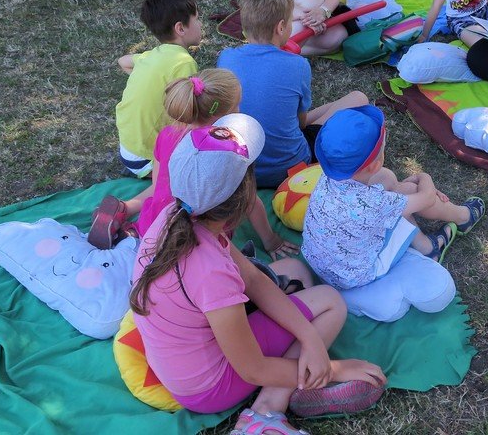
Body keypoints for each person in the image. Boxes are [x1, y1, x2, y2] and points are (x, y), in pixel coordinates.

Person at [130, 114, 387, 433]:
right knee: (331, 301)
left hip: (184, 360)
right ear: (244, 197)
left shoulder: (178, 214)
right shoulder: (211, 272)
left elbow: (251, 278)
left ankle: (292, 378)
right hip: (210, 387)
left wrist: (309, 338)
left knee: (294, 272)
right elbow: (253, 369)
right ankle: (265, 411)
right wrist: (335, 368)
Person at [89, 69, 299, 259]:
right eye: (237, 105)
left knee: (158, 206)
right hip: (198, 240)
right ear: (227, 114)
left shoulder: (167, 134)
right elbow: (250, 200)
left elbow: (159, 187)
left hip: (156, 223)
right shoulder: (229, 151)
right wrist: (272, 241)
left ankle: (131, 231)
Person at [302, 105, 485, 293]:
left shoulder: (328, 176)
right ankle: (451, 227)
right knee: (410, 192)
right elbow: (426, 198)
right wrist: (423, 177)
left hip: (319, 262)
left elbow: (383, 182)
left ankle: (429, 240)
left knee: (390, 181)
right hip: (353, 275)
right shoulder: (377, 203)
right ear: (375, 163)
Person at [218, 0, 368, 188]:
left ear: (245, 27)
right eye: (291, 21)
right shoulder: (298, 65)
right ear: (281, 27)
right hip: (289, 167)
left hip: (242, 170)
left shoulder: (226, 58)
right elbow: (300, 124)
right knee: (359, 98)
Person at [115, 0, 200, 178]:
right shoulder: (184, 63)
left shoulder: (152, 55)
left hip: (127, 147)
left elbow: (123, 61)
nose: (201, 24)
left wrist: (150, 83)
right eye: (197, 19)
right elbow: (188, 118)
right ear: (180, 28)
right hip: (146, 158)